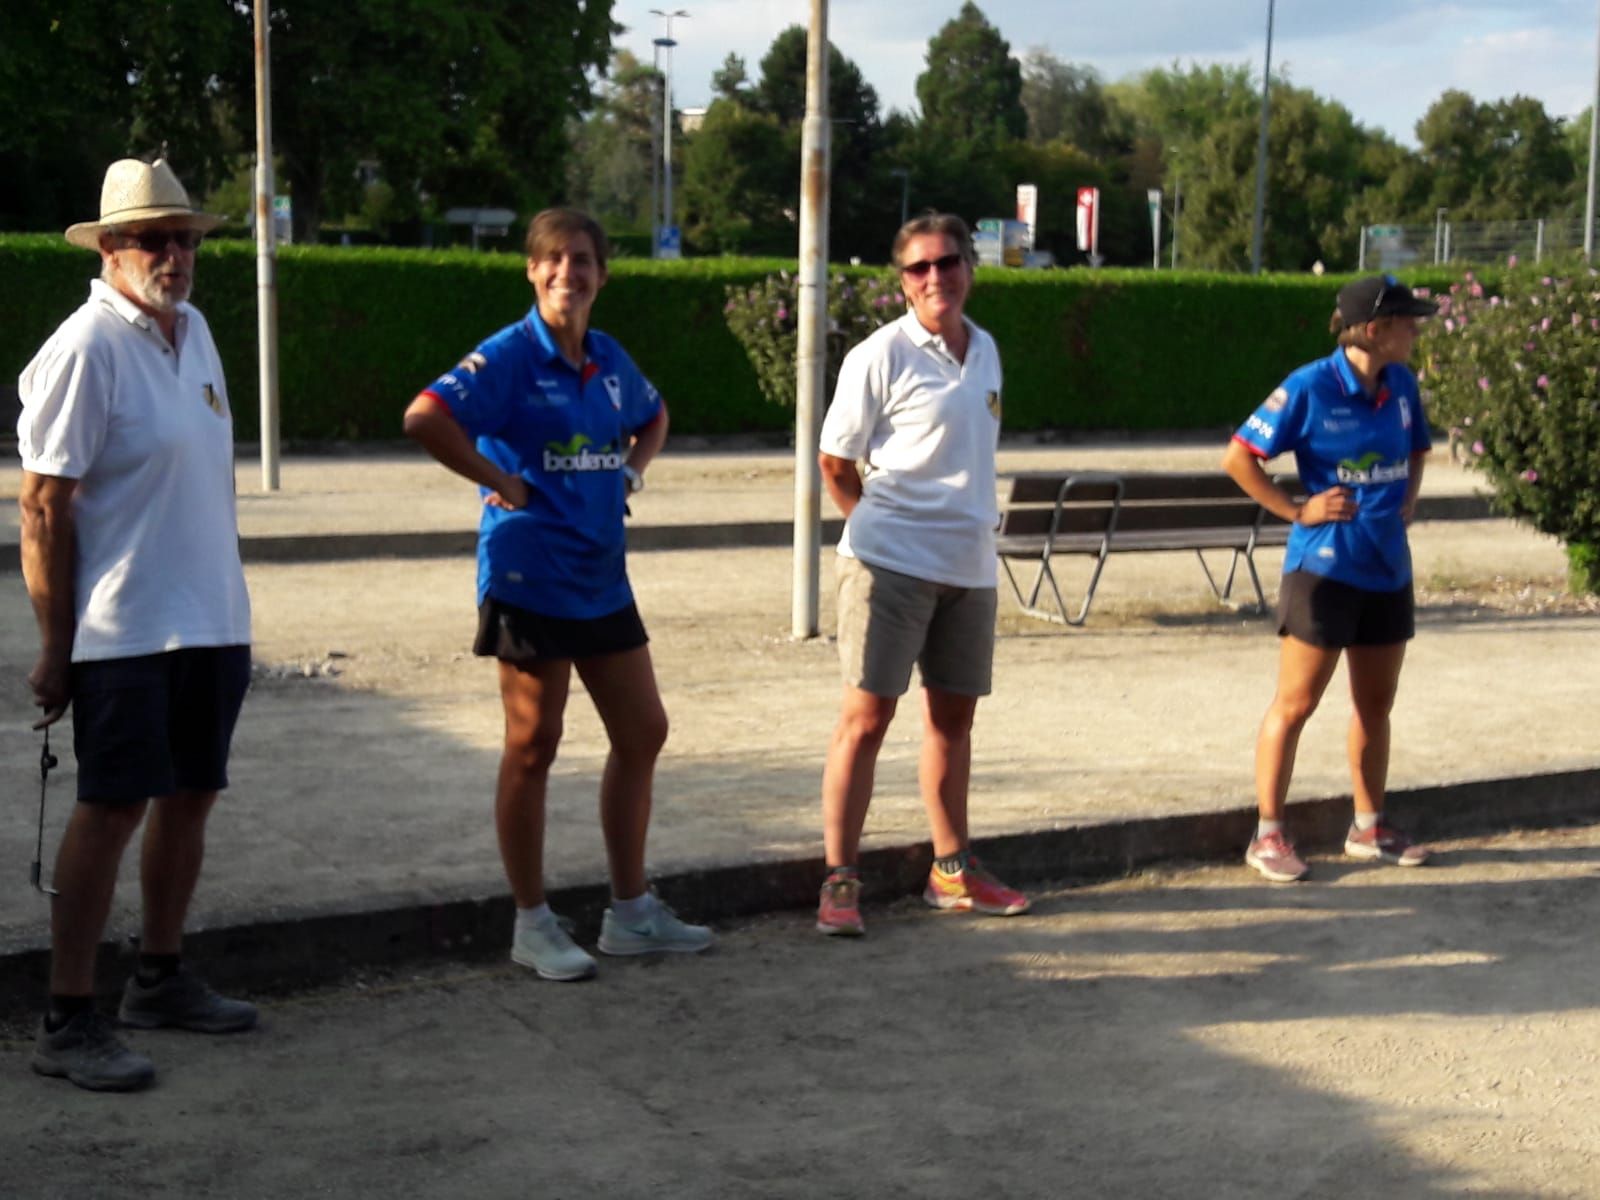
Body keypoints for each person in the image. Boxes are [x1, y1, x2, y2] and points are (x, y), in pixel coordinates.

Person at [403, 208, 712, 979]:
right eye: (553, 259)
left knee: (642, 731)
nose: (566, 272)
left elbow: (654, 415)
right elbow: (425, 416)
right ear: (532, 270)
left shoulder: (608, 358)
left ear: (602, 275)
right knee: (534, 744)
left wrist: (633, 471)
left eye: (581, 259)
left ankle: (631, 913)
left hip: (602, 580)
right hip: (528, 577)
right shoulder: (509, 356)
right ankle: (532, 923)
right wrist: (496, 479)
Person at [18, 158, 257, 1092]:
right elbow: (42, 508)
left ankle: (159, 978)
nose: (175, 255)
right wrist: (55, 645)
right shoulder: (85, 348)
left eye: (185, 239)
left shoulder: (194, 331)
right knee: (111, 808)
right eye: (154, 239)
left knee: (191, 796)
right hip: (122, 628)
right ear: (110, 248)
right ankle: (67, 1017)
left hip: (212, 618)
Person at [813, 212, 1030, 937]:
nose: (936, 277)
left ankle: (951, 871)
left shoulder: (987, 349)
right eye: (919, 267)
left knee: (952, 722)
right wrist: (879, 532)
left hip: (969, 567)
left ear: (970, 267)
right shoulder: (879, 355)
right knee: (866, 720)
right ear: (902, 281)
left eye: (948, 262)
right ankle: (840, 880)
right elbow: (835, 462)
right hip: (889, 566)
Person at [1222, 273, 1438, 883]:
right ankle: (1268, 834)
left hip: (1387, 569)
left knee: (1375, 705)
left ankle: (1369, 828)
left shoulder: (1401, 383)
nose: (1416, 330)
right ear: (1374, 329)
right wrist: (1297, 510)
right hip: (1323, 572)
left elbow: (1417, 448)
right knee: (1296, 704)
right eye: (1407, 320)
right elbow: (1238, 457)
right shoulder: (1309, 385)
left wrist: (1408, 500)